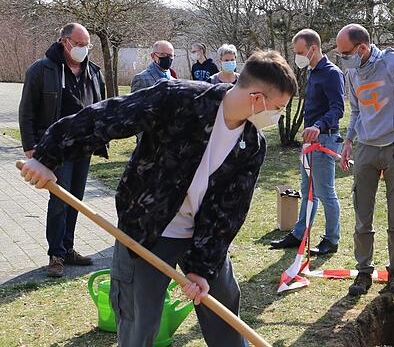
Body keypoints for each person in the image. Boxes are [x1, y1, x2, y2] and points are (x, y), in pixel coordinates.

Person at [19, 50, 298, 346]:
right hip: (146, 231)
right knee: (140, 321)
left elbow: (229, 210)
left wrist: (202, 269)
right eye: (277, 107)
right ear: (257, 98)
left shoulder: (252, 144)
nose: (276, 116)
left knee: (225, 311)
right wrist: (47, 156)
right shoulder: (179, 99)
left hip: (202, 238)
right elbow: (107, 116)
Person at [338, 24, 394, 297]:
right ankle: (363, 272)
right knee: (362, 215)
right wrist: (347, 141)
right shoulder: (352, 72)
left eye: (346, 53)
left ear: (362, 48)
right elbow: (355, 110)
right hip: (366, 148)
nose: (342, 59)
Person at [18, 22, 106, 277]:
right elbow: (27, 112)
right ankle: (55, 254)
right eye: (78, 45)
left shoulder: (94, 72)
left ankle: (68, 248)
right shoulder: (41, 70)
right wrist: (30, 148)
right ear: (64, 42)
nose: (83, 49)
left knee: (75, 200)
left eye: (86, 45)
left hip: (83, 147)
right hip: (56, 148)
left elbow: (101, 107)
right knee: (59, 200)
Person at [271, 29, 345, 256]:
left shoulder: (332, 73)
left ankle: (331, 239)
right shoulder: (312, 72)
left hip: (323, 140)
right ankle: (299, 233)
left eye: (300, 52)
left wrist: (318, 126)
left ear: (314, 49)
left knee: (325, 192)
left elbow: (338, 108)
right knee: (307, 189)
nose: (298, 57)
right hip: (309, 141)